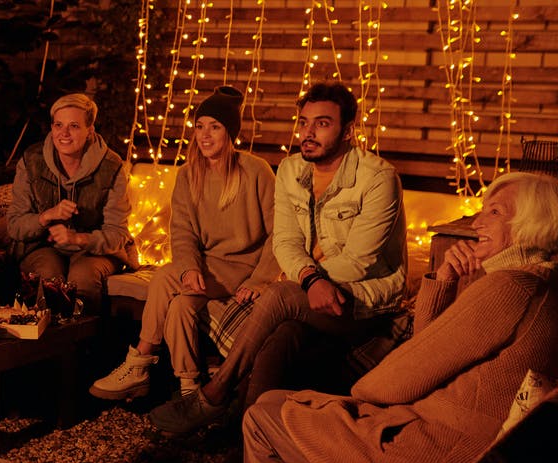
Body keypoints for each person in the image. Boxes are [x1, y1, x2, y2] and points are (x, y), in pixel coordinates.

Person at [240, 172, 558, 463]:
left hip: (434, 459)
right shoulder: (557, 295)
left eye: (495, 212)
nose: (478, 221)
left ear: (531, 224)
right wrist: (444, 279)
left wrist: (355, 399)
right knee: (280, 398)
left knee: (262, 416)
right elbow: (429, 349)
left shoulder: (510, 289)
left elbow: (394, 381)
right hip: (468, 451)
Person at [148, 81, 407, 433]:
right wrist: (307, 278)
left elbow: (359, 260)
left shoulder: (378, 178)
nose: (308, 132)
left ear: (348, 131)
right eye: (304, 122)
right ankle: (244, 438)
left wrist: (305, 279)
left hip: (363, 298)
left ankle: (214, 392)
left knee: (279, 295)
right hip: (309, 289)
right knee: (278, 339)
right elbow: (285, 240)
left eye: (322, 123)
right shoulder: (290, 170)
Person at [89, 86, 279, 400]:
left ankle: (138, 362)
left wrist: (261, 280)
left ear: (230, 133)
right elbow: (182, 231)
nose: (204, 135)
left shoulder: (255, 171)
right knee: (179, 306)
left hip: (242, 267)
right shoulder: (190, 175)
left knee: (163, 276)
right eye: (200, 126)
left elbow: (280, 232)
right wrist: (189, 267)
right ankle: (191, 391)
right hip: (207, 264)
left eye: (214, 127)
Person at [6, 93, 136, 313]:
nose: (64, 133)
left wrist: (79, 238)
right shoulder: (32, 160)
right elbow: (15, 225)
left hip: (94, 250)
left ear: (90, 131)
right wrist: (47, 216)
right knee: (49, 276)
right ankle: (46, 342)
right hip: (42, 247)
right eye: (58, 125)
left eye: (74, 126)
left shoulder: (112, 166)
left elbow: (117, 233)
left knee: (82, 278)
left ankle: (82, 343)